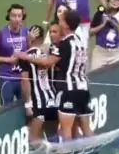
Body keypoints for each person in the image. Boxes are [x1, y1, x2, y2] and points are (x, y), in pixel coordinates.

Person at [16, 9, 92, 140]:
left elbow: (47, 62)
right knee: (85, 128)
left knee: (66, 130)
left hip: (69, 91)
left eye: (61, 21)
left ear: (66, 25)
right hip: (83, 89)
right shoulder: (80, 42)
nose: (59, 23)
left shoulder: (64, 44)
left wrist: (25, 56)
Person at [20, 25, 59, 144]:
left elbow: (25, 80)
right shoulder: (49, 54)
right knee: (52, 135)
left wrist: (28, 104)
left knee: (33, 139)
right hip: (53, 100)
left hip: (39, 103)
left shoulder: (25, 56)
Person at [0, 4, 29, 107]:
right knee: (6, 108)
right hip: (6, 77)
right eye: (13, 16)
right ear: (8, 17)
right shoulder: (0, 34)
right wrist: (9, 60)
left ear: (23, 17)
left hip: (23, 77)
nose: (16, 19)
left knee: (25, 106)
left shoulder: (27, 32)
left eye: (19, 16)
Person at [90, 0, 119, 70]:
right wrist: (103, 25)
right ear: (109, 0)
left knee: (116, 76)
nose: (115, 2)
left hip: (116, 54)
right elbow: (90, 33)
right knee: (96, 75)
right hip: (100, 52)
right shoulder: (100, 14)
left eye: (118, 0)